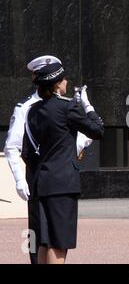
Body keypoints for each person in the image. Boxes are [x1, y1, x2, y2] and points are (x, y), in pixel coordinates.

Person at [3, 55, 92, 264]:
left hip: (57, 173)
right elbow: (12, 147)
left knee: (56, 238)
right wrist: (19, 179)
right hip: (37, 176)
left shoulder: (65, 105)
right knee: (39, 236)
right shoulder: (25, 107)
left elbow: (74, 140)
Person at [21, 62, 104, 264]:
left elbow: (27, 152)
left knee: (43, 241)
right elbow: (97, 130)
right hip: (62, 185)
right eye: (64, 79)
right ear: (57, 84)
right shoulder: (67, 107)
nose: (67, 81)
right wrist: (88, 106)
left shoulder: (32, 111)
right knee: (59, 242)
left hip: (41, 183)